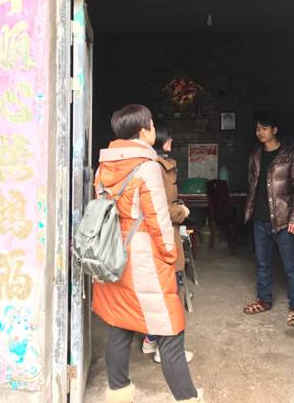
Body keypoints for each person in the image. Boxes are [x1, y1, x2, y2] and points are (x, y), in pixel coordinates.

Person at [92, 104, 203, 403]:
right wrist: (169, 255)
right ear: (143, 130)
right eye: (152, 124)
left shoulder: (104, 166)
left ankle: (119, 392)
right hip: (145, 259)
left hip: (113, 254)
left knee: (119, 323)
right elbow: (158, 218)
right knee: (170, 328)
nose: (154, 129)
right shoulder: (147, 166)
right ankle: (187, 398)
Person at [243, 114, 294, 327]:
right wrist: (250, 212)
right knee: (262, 264)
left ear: (275, 130)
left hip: (283, 220)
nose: (260, 132)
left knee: (291, 266)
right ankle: (264, 300)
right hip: (260, 219)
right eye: (257, 129)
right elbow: (252, 183)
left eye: (264, 128)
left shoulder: (292, 155)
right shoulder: (255, 154)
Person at [142, 121, 193, 364]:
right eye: (168, 137)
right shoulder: (160, 167)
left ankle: (150, 339)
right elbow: (161, 208)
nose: (172, 141)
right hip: (163, 238)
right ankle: (167, 350)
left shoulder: (148, 163)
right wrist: (182, 212)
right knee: (170, 291)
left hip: (148, 238)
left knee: (156, 289)